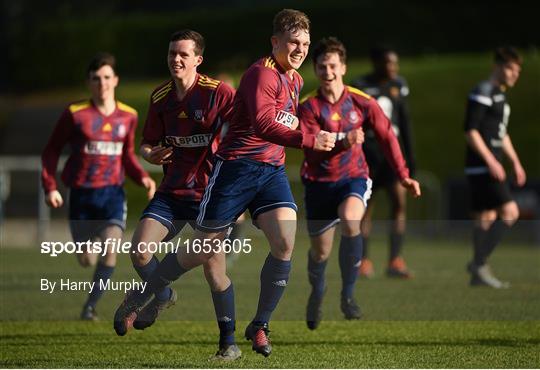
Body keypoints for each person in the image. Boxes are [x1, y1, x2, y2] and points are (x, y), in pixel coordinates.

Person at [113, 9, 336, 358]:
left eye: (305, 43)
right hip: (235, 170)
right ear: (275, 41)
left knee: (285, 241)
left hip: (272, 172)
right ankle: (148, 294)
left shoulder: (293, 80)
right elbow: (263, 124)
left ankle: (260, 325)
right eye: (293, 42)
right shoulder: (260, 75)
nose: (300, 49)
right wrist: (308, 139)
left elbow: (279, 126)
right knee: (202, 252)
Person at [112, 30, 240, 360]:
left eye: (183, 54)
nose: (176, 60)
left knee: (214, 272)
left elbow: (243, 134)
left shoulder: (219, 93)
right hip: (172, 193)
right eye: (172, 54)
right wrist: (149, 154)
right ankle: (163, 294)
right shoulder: (160, 98)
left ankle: (228, 344)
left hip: (209, 197)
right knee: (139, 251)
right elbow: (145, 144)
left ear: (198, 59)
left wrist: (239, 192)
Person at [299, 37, 421, 330]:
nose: (328, 71)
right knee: (321, 252)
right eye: (322, 66)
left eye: (333, 65)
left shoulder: (363, 101)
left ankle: (348, 295)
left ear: (343, 67)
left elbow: (387, 136)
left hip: (353, 176)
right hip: (318, 183)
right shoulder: (308, 107)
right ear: (315, 70)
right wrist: (344, 141)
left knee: (351, 220)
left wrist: (403, 173)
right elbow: (313, 155)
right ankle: (317, 293)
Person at [41, 52, 156, 321]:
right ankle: (88, 258)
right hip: (81, 196)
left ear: (115, 80)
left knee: (111, 246)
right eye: (96, 78)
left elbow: (126, 155)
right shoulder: (75, 114)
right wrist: (50, 186)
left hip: (112, 194)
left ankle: (90, 306)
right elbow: (51, 150)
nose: (102, 83)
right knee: (87, 259)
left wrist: (143, 177)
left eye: (106, 77)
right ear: (88, 82)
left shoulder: (128, 115)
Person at [351, 47, 416, 279]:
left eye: (395, 64)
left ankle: (395, 260)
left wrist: (411, 159)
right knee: (365, 209)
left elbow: (405, 122)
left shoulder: (399, 84)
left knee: (399, 203)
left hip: (392, 154)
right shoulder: (360, 85)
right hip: (368, 155)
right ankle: (363, 261)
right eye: (388, 63)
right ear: (376, 62)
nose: (393, 68)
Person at [464, 46, 525, 288]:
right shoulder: (483, 91)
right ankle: (478, 262)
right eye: (510, 68)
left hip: (490, 165)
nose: (513, 74)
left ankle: (478, 274)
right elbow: (470, 130)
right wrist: (490, 160)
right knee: (510, 212)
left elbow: (502, 133)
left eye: (517, 70)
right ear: (497, 67)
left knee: (486, 217)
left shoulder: (500, 95)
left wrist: (516, 162)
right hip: (482, 167)